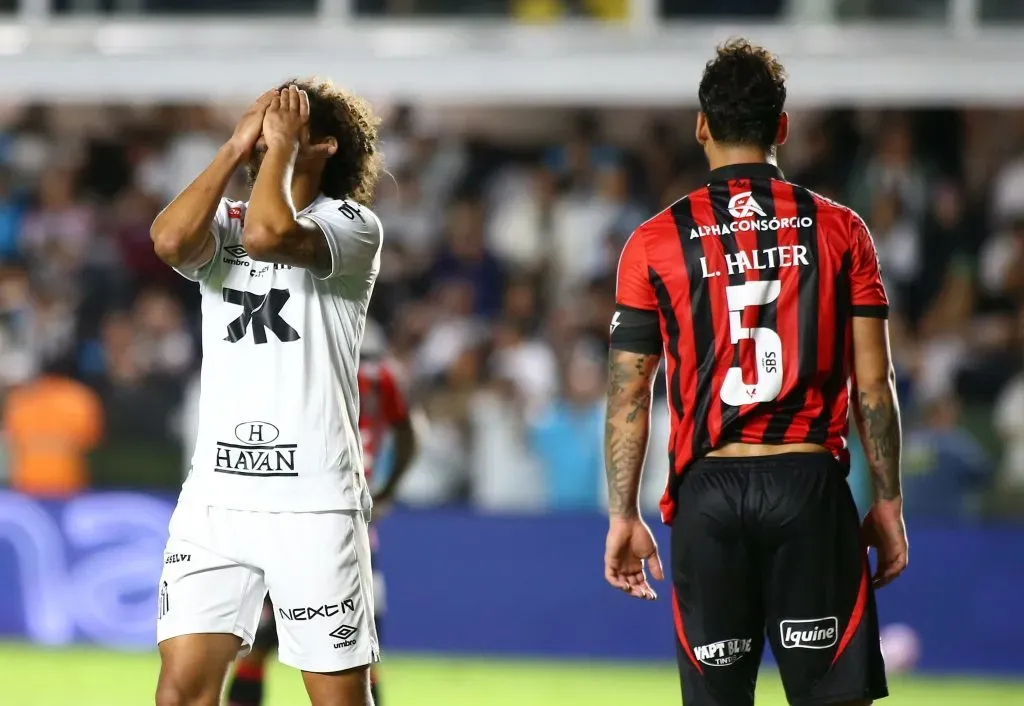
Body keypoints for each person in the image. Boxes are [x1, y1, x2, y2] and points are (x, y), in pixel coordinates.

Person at [602, 39, 908, 706]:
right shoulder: (840, 230)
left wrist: (623, 512)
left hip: (709, 495)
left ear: (701, 127)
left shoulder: (654, 241)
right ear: (783, 127)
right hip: (808, 488)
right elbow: (874, 385)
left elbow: (629, 389)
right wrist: (887, 498)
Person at [150, 80, 384, 706]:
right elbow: (169, 241)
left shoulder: (351, 225)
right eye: (259, 121)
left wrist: (277, 149)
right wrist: (234, 148)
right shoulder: (221, 220)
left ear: (326, 146)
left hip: (311, 502)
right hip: (216, 499)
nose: (263, 132)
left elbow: (268, 235)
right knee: (180, 694)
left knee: (337, 698)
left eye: (284, 122)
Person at [226, 322, 419, 706]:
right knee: (351, 640)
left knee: (279, 637)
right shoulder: (378, 380)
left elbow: (408, 435)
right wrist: (385, 492)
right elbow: (409, 435)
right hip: (327, 521)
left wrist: (384, 491)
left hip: (320, 520)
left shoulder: (324, 371)